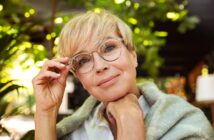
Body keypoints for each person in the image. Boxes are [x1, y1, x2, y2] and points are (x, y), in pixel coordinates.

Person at [32, 10, 214, 140]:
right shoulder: (75, 133)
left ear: (133, 56)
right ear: (79, 77)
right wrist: (45, 112)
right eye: (83, 61)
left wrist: (130, 120)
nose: (100, 66)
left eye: (109, 48)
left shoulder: (188, 124)